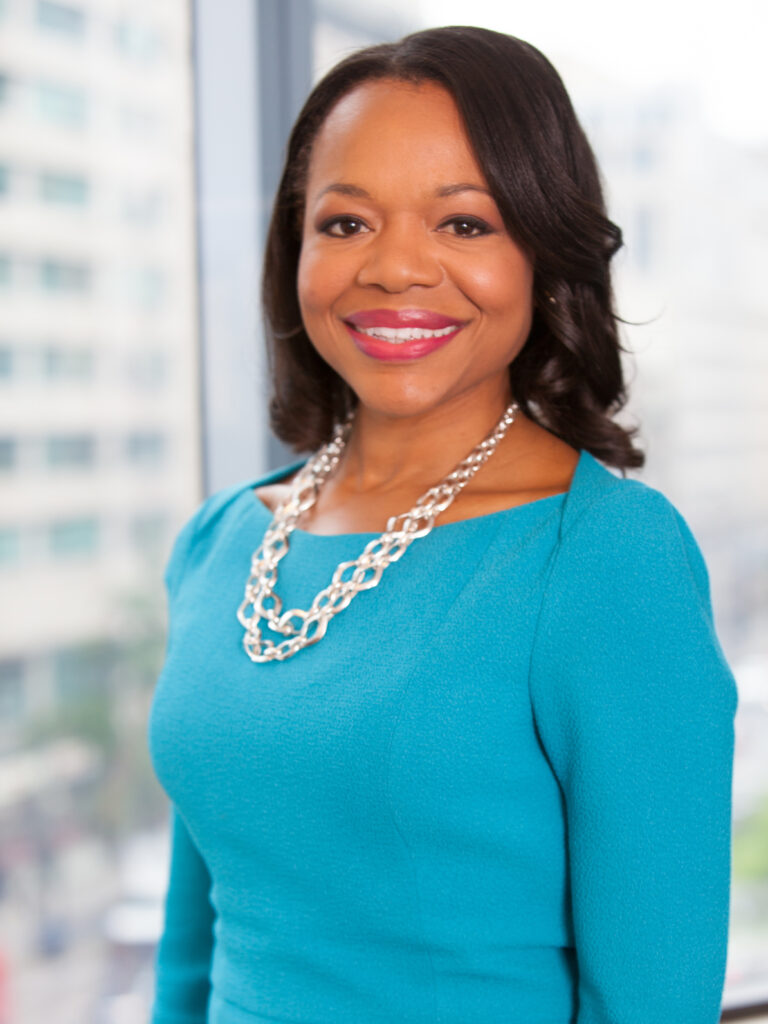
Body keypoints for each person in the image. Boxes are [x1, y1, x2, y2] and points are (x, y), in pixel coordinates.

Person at [147, 25, 738, 1024]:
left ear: (542, 252)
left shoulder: (605, 560)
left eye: (464, 223)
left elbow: (653, 1000)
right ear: (297, 249)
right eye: (346, 222)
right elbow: (190, 950)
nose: (394, 268)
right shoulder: (218, 544)